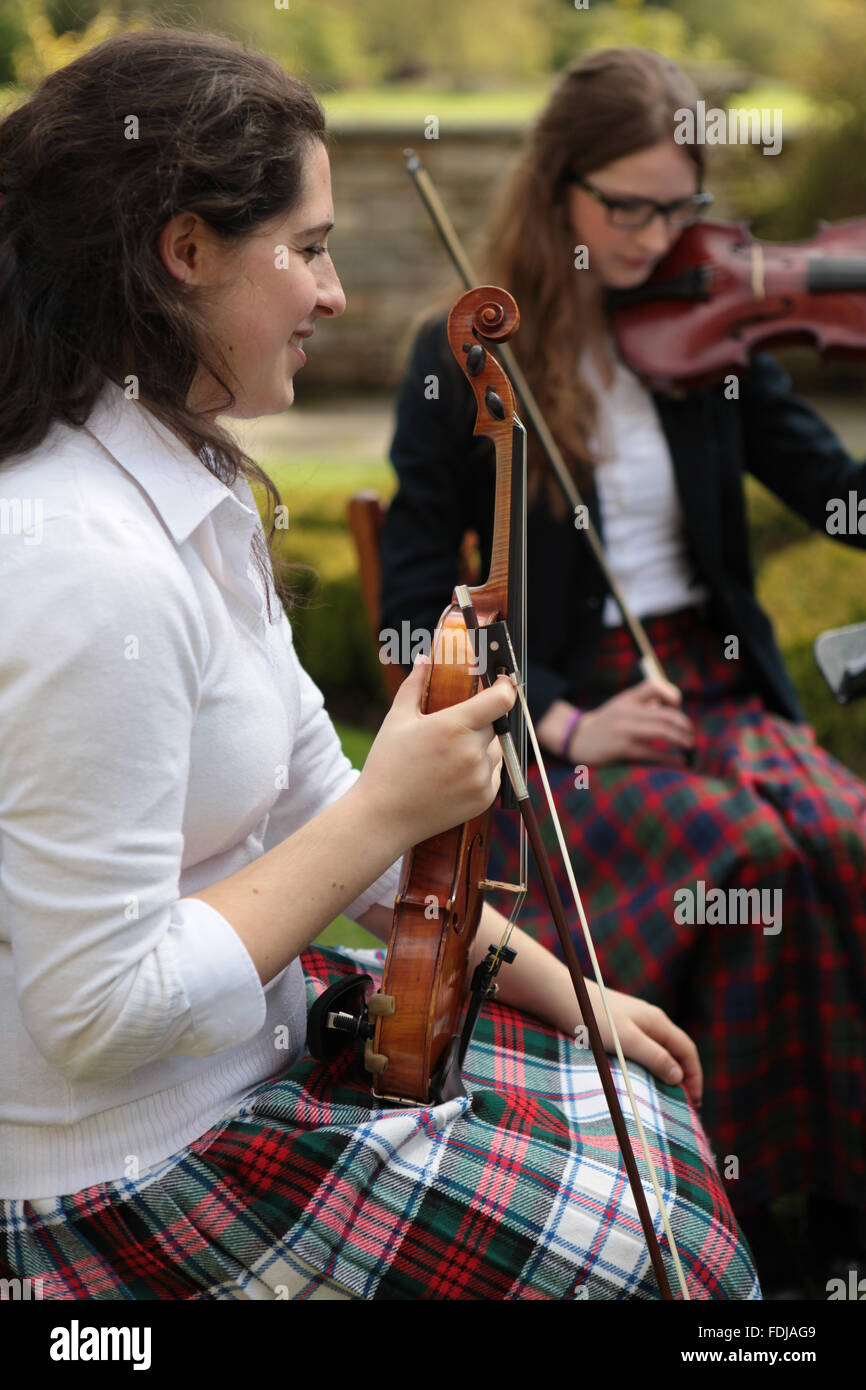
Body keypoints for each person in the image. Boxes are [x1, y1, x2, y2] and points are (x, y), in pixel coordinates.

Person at [0, 29, 758, 1302]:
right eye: (305, 247)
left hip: (247, 1058)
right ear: (183, 253)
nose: (335, 293)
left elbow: (305, 796)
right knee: (645, 1260)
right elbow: (100, 1014)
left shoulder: (183, 477)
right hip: (127, 1173)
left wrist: (571, 991)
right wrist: (389, 809)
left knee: (654, 1135)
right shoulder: (82, 563)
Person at [380, 46, 866, 1296]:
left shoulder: (704, 337)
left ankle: (833, 1190)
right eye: (628, 207)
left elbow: (827, 483)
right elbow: (407, 603)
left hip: (709, 683)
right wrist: (563, 718)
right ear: (558, 192)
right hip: (566, 713)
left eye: (679, 205)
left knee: (841, 837)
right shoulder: (465, 360)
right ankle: (739, 1200)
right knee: (749, 861)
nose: (658, 235)